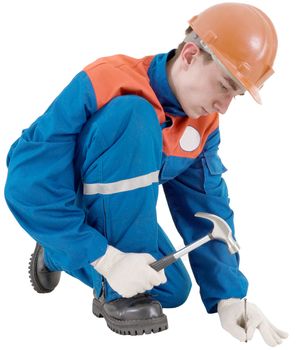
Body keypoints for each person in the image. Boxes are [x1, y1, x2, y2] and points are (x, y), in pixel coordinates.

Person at [4, 2, 288, 346]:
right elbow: (26, 184)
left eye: (236, 96)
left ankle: (58, 250)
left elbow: (208, 210)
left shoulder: (202, 124)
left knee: (172, 289)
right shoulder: (106, 80)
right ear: (189, 55)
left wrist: (229, 296)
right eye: (224, 86)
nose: (224, 106)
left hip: (118, 215)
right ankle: (110, 286)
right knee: (134, 115)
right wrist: (107, 260)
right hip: (63, 196)